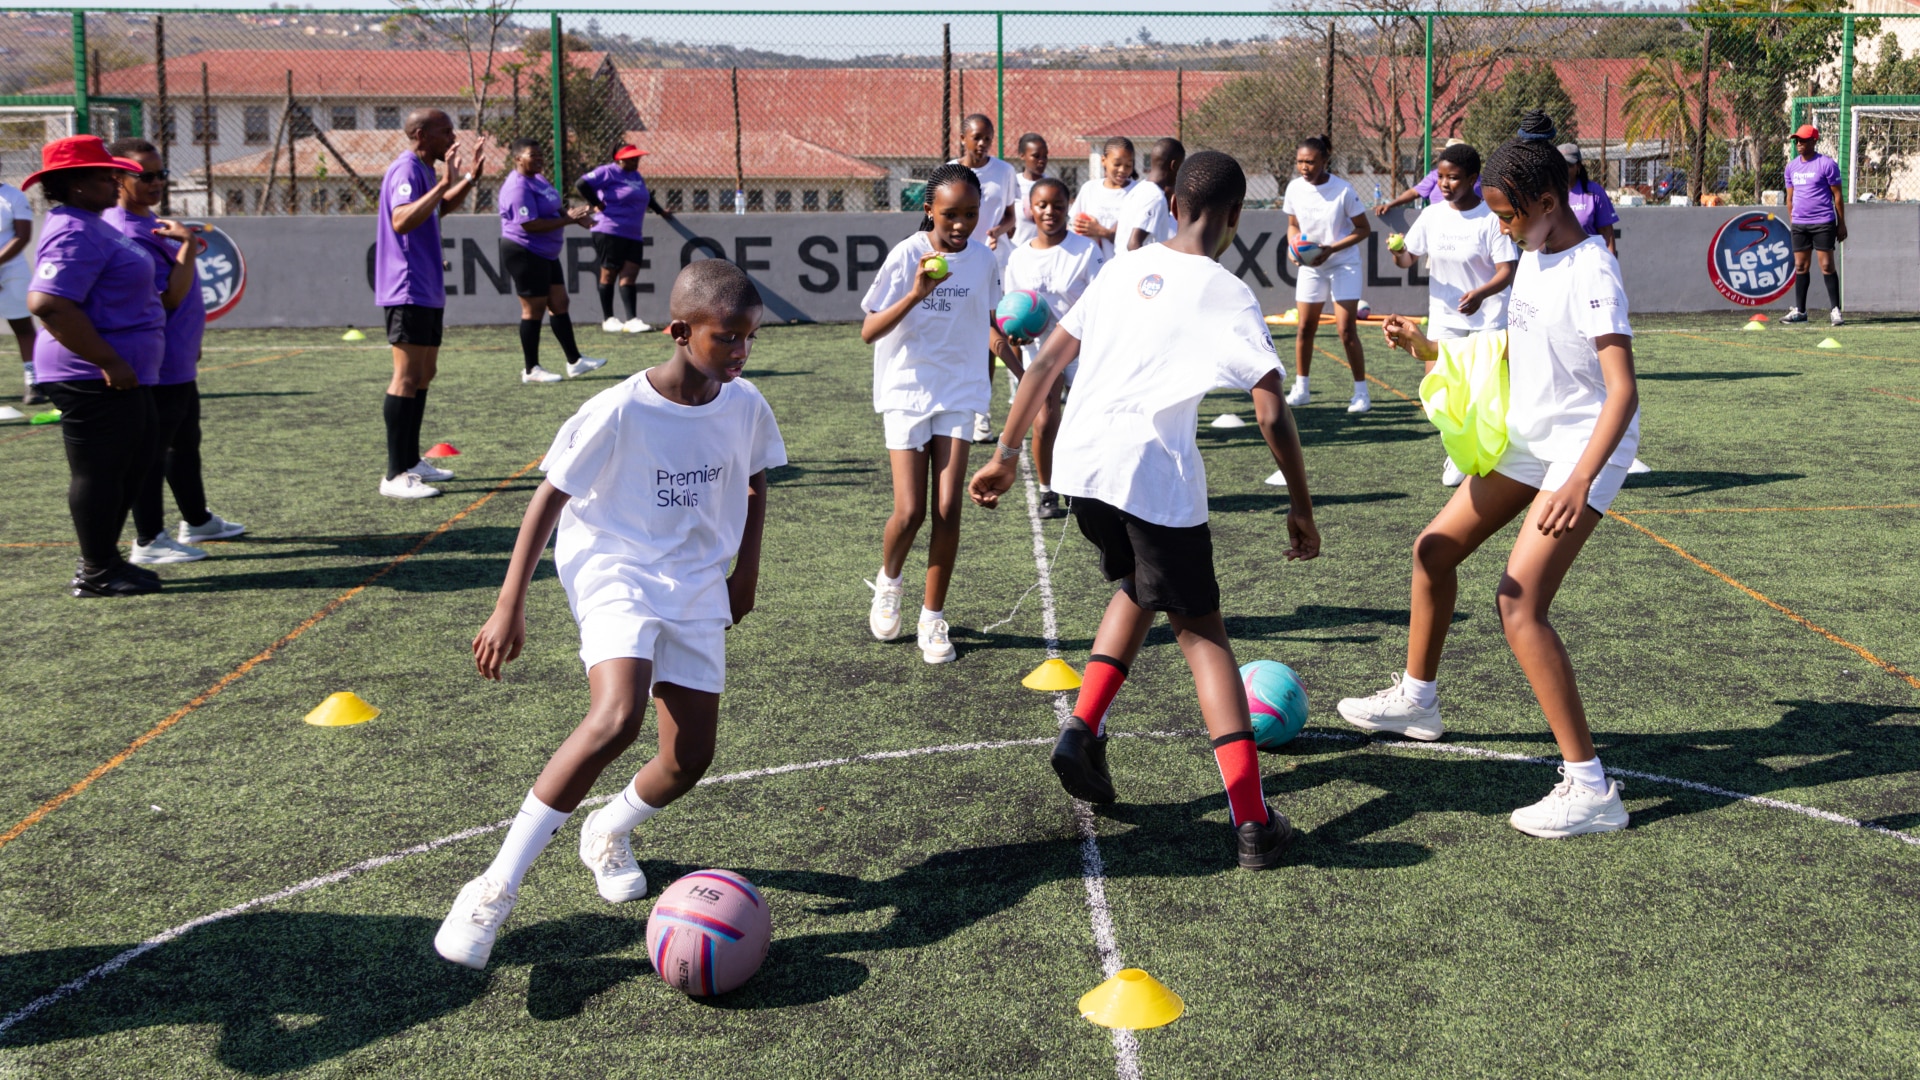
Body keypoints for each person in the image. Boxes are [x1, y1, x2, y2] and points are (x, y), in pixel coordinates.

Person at [969, 150, 1319, 870]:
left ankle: (1082, 731)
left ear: (1174, 204)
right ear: (1230, 217)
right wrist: (1300, 503)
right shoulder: (1226, 290)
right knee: (1204, 637)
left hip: (1083, 469)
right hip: (1151, 476)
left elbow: (1042, 364)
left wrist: (1007, 452)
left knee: (1137, 586)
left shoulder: (1121, 268)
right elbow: (1269, 407)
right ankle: (1253, 823)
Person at [434, 259, 786, 971]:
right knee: (616, 715)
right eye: (728, 338)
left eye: (751, 338)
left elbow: (754, 482)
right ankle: (493, 888)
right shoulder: (619, 409)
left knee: (690, 759)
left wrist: (744, 573)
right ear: (680, 331)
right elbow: (549, 500)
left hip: (693, 580)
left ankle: (609, 829)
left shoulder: (744, 402)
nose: (742, 353)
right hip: (615, 567)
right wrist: (511, 604)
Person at [1337, 111, 1638, 840]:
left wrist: (1577, 481)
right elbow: (1510, 347)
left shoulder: (1593, 267)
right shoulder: (1534, 251)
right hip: (1532, 443)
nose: (1499, 228)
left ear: (1545, 203)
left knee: (1517, 603)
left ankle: (1591, 786)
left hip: (1580, 452)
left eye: (1506, 214)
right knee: (1434, 551)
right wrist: (1430, 349)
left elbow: (1623, 390)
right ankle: (1418, 699)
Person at [860, 163, 1021, 665]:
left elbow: (988, 326)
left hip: (960, 390)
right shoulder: (907, 254)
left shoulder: (982, 260)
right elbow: (869, 331)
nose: (960, 224)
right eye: (950, 214)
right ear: (928, 209)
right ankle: (889, 582)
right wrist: (915, 292)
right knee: (910, 512)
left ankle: (932, 618)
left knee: (948, 509)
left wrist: (1026, 368)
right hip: (907, 390)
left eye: (970, 214)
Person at [22, 136, 164, 597]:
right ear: (75, 185)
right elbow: (48, 303)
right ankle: (97, 569)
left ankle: (107, 558)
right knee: (101, 470)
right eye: (104, 175)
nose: (114, 180)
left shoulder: (91, 223)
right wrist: (108, 360)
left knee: (134, 461)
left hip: (122, 371)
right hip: (90, 374)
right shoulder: (73, 230)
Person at [104, 138, 245, 565]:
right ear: (117, 178)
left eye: (161, 173)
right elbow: (168, 298)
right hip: (155, 361)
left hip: (177, 356)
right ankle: (149, 540)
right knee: (150, 452)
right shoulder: (125, 231)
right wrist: (186, 246)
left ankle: (197, 521)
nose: (156, 182)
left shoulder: (152, 223)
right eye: (144, 176)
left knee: (185, 442)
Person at [1389, 141, 1518, 487]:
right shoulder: (1431, 215)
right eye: (1442, 177)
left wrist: (1481, 294)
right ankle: (1458, 453)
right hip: (1444, 318)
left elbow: (1508, 270)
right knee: (1442, 391)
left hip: (1488, 320)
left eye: (1454, 178)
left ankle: (1487, 456)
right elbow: (1407, 260)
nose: (1446, 184)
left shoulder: (1490, 219)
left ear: (1473, 178)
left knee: (1480, 394)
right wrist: (1397, 251)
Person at [375, 108, 484, 500]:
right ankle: (393, 474)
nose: (452, 138)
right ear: (420, 134)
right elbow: (402, 220)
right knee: (405, 377)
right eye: (445, 131)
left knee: (424, 373)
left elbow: (437, 211)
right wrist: (442, 184)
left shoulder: (422, 170)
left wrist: (468, 179)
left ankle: (411, 460)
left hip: (426, 287)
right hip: (406, 288)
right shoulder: (405, 169)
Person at [1002, 176, 1107, 520]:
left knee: (1092, 421)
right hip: (1041, 353)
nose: (1050, 211)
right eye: (1042, 205)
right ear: (1030, 209)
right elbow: (1012, 309)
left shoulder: (1086, 250)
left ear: (1068, 207)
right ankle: (1048, 492)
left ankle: (1093, 487)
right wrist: (1017, 339)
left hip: (1082, 348)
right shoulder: (1018, 258)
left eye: (1058, 205)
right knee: (1045, 422)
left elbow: (1101, 301)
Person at [497, 137, 606, 384]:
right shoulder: (517, 187)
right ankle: (531, 369)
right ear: (517, 159)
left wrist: (577, 218)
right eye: (532, 156)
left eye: (540, 155)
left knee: (559, 302)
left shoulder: (538, 179)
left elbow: (555, 208)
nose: (539, 159)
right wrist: (569, 220)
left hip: (545, 252)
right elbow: (529, 224)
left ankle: (575, 361)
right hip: (524, 251)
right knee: (533, 309)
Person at [1283, 135, 1373, 414]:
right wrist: (1294, 248)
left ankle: (1361, 394)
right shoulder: (1295, 189)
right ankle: (1302, 389)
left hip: (1343, 264)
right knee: (1304, 328)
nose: (1304, 167)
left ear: (1325, 161)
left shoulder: (1343, 190)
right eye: (1300, 162)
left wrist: (1331, 249)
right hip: (1312, 267)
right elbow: (1293, 225)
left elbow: (1363, 229)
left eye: (1310, 162)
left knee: (1346, 330)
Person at [947, 113, 1020, 444]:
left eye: (987, 138)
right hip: (955, 266)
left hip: (993, 263)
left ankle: (981, 415)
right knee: (954, 337)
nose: (982, 144)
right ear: (962, 138)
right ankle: (953, 408)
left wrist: (998, 230)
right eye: (976, 137)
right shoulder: (948, 173)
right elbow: (932, 219)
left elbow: (1010, 216)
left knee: (988, 339)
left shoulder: (1004, 172)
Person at [577, 145, 673, 334]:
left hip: (633, 233)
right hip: (609, 230)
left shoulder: (636, 177)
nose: (635, 161)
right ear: (619, 159)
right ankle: (609, 319)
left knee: (630, 275)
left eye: (636, 158)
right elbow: (581, 184)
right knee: (609, 273)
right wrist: (597, 203)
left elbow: (646, 197)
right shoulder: (608, 172)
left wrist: (661, 211)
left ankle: (631, 319)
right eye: (630, 158)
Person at [1782, 124, 1845, 326]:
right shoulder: (1791, 167)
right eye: (1797, 140)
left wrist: (1841, 223)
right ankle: (1800, 311)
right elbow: (1790, 198)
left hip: (1823, 222)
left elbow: (1837, 196)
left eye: (1803, 140)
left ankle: (1835, 310)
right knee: (1800, 266)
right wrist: (1794, 220)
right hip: (1800, 225)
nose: (1799, 144)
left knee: (1827, 265)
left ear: (1814, 141)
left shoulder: (1826, 164)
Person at [0, 161, 39, 405]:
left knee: (22, 326)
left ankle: (34, 381)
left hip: (11, 270)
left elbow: (22, 236)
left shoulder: (12, 196)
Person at [1371, 138, 1480, 218]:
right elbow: (1414, 192)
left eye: (1453, 177)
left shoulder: (1478, 180)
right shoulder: (1434, 175)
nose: (1444, 183)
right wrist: (1391, 204)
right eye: (1441, 177)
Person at [1067, 136, 1136, 260]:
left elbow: (1137, 237)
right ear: (1103, 160)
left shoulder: (1138, 192)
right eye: (1117, 164)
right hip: (1091, 264)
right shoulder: (1089, 189)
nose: (1122, 170)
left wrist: (1102, 232)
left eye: (1128, 165)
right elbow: (1073, 226)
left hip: (1123, 264)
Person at [1117, 138, 1184, 251]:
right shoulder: (1155, 197)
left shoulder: (1139, 189)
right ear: (1174, 165)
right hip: (1133, 267)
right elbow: (1133, 244)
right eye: (1181, 167)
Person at [1560, 144, 1618, 257]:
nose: (1564, 169)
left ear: (1578, 166)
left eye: (1569, 165)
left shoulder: (1594, 192)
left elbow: (1606, 233)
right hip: (1560, 262)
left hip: (1590, 261)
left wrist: (1610, 264)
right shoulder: (1549, 194)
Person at [1010, 132, 1052, 249]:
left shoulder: (1051, 187)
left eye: (1045, 156)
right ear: (1022, 155)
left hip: (1045, 251)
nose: (1042, 160)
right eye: (1036, 156)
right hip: (1016, 250)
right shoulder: (1013, 184)